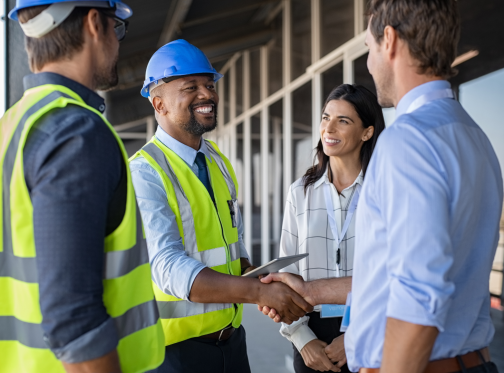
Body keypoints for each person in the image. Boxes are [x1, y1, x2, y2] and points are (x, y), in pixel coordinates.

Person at [261, 1, 503, 373]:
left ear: (388, 40)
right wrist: (310, 293)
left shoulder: (408, 141)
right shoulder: (474, 137)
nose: (370, 62)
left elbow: (418, 296)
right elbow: (393, 275)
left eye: (368, 48)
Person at [0, 1, 165, 373]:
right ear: (94, 23)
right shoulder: (76, 132)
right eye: (116, 28)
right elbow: (74, 322)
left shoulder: (12, 125)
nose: (118, 44)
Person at [130, 39, 312, 373]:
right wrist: (256, 293)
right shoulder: (144, 172)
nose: (207, 94)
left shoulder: (216, 161)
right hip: (174, 356)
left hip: (232, 344)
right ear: (159, 104)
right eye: (191, 87)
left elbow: (233, 243)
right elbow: (167, 267)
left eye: (209, 85)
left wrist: (258, 278)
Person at [277, 84, 384, 373]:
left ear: (367, 132)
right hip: (311, 333)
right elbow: (288, 271)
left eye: (343, 121)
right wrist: (302, 338)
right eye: (326, 118)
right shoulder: (300, 191)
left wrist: (356, 336)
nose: (329, 128)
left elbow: (392, 273)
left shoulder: (384, 191)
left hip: (371, 330)